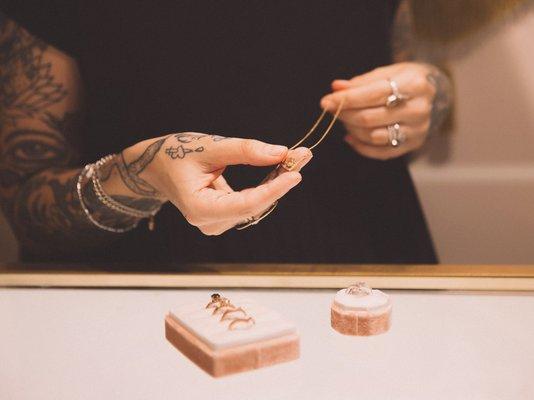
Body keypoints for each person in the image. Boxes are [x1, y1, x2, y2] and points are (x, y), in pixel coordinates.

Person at [0, 0, 452, 265]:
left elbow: (415, 80)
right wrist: (139, 177)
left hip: (372, 266)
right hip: (148, 284)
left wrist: (430, 97)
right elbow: (26, 207)